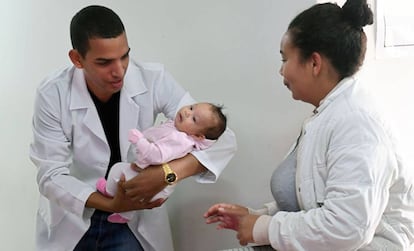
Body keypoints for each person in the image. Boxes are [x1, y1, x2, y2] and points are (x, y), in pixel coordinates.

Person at [204, 0, 414, 250]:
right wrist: (256, 217)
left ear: (314, 63)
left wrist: (263, 227)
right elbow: (311, 199)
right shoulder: (326, 115)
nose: (281, 71)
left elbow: (346, 228)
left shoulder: (357, 123)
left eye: (285, 59)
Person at [29, 5, 236, 251]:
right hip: (74, 216)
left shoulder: (152, 78)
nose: (119, 71)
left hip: (135, 221)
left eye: (124, 56)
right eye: (104, 62)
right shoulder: (53, 94)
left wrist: (166, 174)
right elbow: (51, 175)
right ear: (77, 59)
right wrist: (114, 205)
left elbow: (222, 138)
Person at [96, 102, 227, 223]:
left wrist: (139, 141)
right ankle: (115, 199)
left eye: (194, 119)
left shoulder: (180, 140)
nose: (188, 112)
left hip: (157, 183)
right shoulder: (177, 128)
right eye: (191, 107)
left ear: (198, 136)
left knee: (122, 175)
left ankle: (117, 203)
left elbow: (156, 155)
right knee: (122, 175)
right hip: (149, 173)